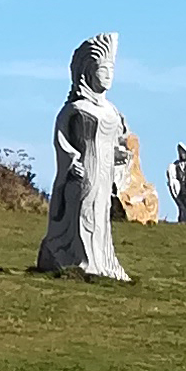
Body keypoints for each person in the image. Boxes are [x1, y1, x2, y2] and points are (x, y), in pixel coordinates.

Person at [34, 32, 129, 280]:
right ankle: (79, 259)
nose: (108, 76)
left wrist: (121, 155)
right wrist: (72, 161)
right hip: (86, 170)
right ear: (87, 72)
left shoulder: (112, 110)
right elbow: (61, 139)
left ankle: (102, 261)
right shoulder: (76, 109)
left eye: (111, 70)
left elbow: (119, 140)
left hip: (105, 173)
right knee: (84, 212)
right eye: (102, 70)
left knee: (101, 215)